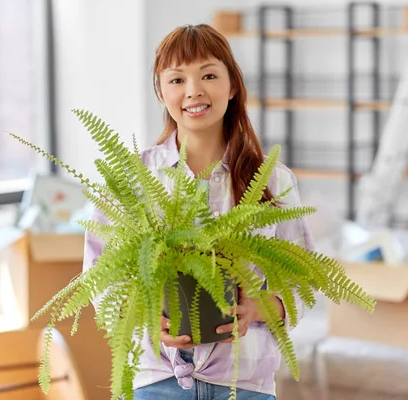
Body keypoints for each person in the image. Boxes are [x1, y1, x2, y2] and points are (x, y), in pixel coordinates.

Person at [83, 24, 315, 400]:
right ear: (161, 90)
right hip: (157, 382)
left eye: (209, 75)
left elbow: (303, 281)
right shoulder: (131, 178)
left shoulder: (273, 180)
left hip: (245, 382)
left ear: (233, 86)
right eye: (177, 79)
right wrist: (144, 316)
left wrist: (260, 308)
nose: (194, 91)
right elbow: (99, 276)